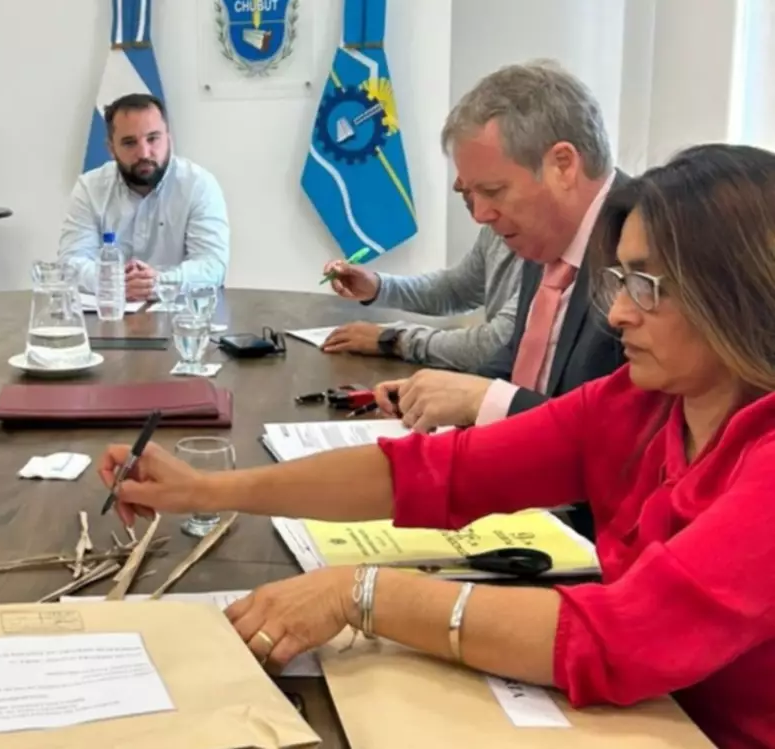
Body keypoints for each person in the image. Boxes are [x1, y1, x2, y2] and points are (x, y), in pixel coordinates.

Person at [99, 143, 775, 749]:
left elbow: (621, 636)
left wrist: (360, 594)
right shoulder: (641, 401)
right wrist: (203, 488)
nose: (619, 312)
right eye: (620, 281)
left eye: (647, 287)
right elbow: (434, 472)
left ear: (741, 294)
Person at [374, 61, 625, 433]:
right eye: (472, 194)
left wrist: (484, 400)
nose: (480, 215)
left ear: (563, 165)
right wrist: (447, 392)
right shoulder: (547, 232)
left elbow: (624, 430)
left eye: (493, 191)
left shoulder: (648, 248)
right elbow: (521, 358)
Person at [320, 180, 522, 372]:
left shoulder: (537, 250)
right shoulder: (495, 231)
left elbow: (495, 346)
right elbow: (456, 291)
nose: (457, 185)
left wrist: (393, 340)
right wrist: (379, 287)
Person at [58, 93, 229, 300]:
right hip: (110, 312)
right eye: (129, 143)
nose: (144, 153)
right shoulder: (89, 188)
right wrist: (114, 282)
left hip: (182, 313)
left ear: (169, 138)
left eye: (153, 139)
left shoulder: (198, 185)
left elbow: (212, 265)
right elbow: (70, 263)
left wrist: (158, 283)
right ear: (111, 149)